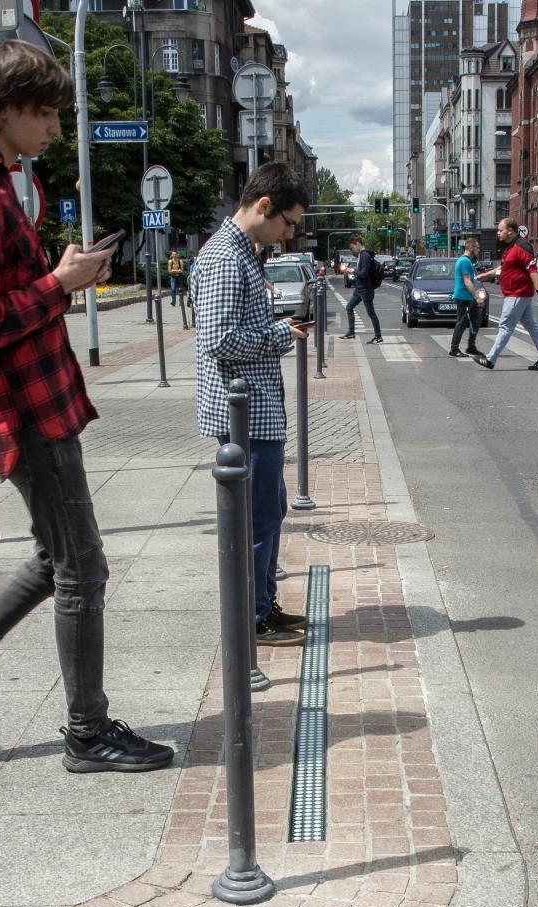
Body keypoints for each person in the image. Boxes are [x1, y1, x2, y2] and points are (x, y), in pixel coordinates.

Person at [0, 40, 172, 772]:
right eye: (44, 113)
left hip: (31, 404)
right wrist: (62, 284)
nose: (54, 127)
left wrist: (58, 275)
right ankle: (88, 732)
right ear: (3, 110)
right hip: (26, 410)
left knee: (58, 561)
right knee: (82, 567)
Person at [193, 162, 313, 648]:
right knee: (259, 516)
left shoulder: (242, 253)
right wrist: (280, 334)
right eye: (287, 223)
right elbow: (219, 338)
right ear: (264, 206)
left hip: (256, 406)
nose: (288, 235)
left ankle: (263, 601)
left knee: (271, 509)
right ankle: (253, 616)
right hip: (243, 410)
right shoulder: (226, 256)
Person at [474, 217, 538, 370]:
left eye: (500, 230)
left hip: (517, 293)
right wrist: (486, 275)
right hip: (517, 294)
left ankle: (490, 359)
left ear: (510, 231)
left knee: (504, 326)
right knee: (532, 325)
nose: (498, 233)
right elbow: (504, 268)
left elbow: (532, 269)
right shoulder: (510, 247)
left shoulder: (522, 247)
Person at [340, 235, 383, 344]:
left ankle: (378, 336)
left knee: (371, 313)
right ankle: (351, 332)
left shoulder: (365, 256)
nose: (352, 250)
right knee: (349, 307)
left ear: (358, 243)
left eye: (352, 247)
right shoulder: (362, 255)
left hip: (365, 289)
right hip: (360, 288)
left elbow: (364, 273)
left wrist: (351, 270)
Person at [449, 235, 484, 358]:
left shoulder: (468, 261)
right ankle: (454, 349)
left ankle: (471, 347)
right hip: (463, 297)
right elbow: (467, 281)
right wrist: (477, 297)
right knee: (462, 322)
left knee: (476, 319)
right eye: (477, 248)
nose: (479, 250)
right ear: (471, 248)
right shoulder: (464, 261)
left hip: (468, 297)